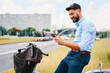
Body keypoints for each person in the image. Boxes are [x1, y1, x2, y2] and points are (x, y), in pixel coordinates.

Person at [54, 3, 96, 73]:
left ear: (79, 11)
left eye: (72, 14)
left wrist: (64, 43)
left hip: (80, 56)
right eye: (69, 14)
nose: (70, 16)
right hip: (71, 54)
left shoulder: (86, 24)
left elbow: (83, 46)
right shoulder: (79, 25)